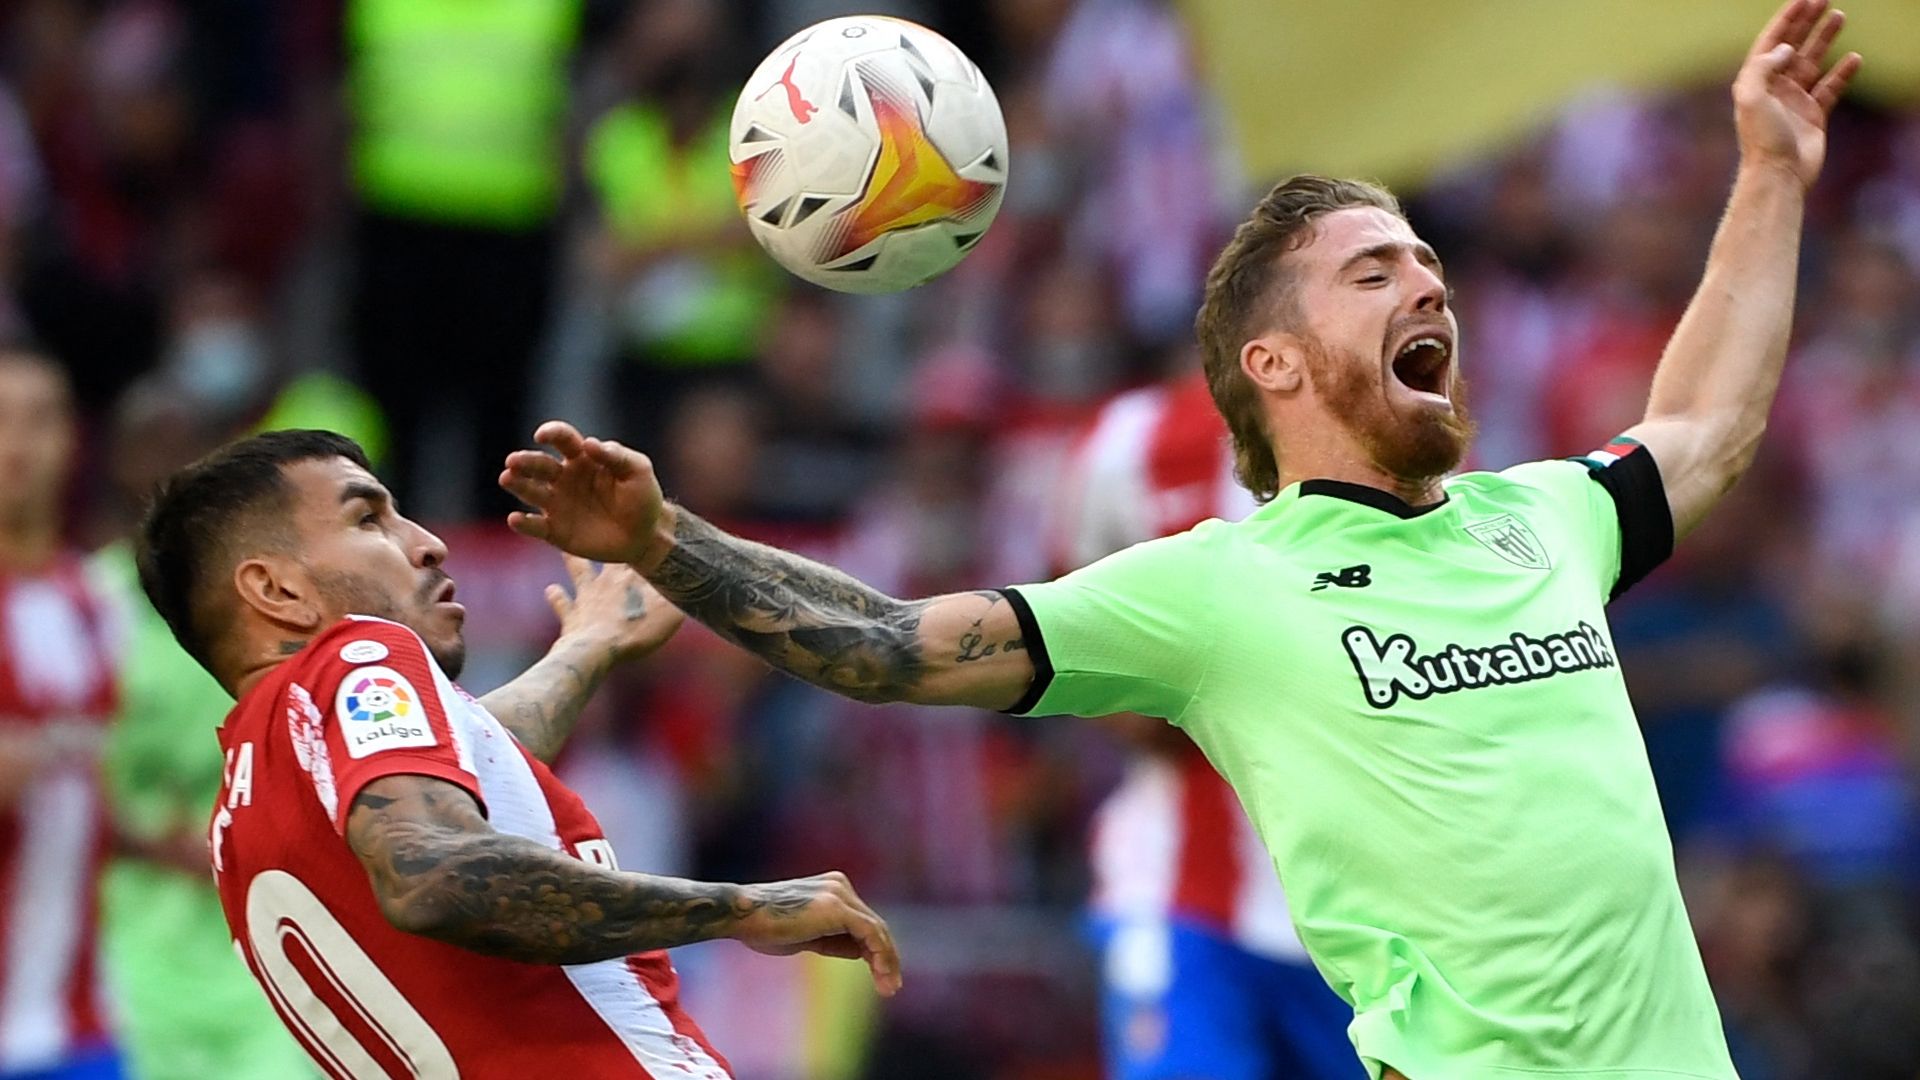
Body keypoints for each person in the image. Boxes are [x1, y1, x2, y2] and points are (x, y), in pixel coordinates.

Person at [498, 4, 1859, 1077]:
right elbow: (890, 648)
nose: (1427, 279)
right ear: (1270, 362)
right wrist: (669, 542)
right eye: (1372, 271)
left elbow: (1705, 426)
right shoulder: (1219, 588)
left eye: (1426, 263)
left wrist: (1769, 172)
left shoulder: (1542, 516)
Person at [133, 429, 900, 1078]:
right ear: (277, 591)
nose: (426, 543)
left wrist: (588, 650)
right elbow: (431, 872)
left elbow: (464, 767)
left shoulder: (250, 801)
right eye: (369, 520)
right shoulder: (361, 655)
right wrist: (739, 907)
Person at [1058, 370, 1360, 1080]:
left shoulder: (1417, 445)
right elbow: (1066, 630)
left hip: (1370, 917)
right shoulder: (1130, 442)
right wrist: (1165, 690)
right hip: (1182, 896)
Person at [0, 346, 121, 1080]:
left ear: (72, 440)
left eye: (39, 420)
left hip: (80, 1025)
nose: (16, 443)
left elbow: (89, 790)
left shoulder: (103, 606)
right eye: (0, 421)